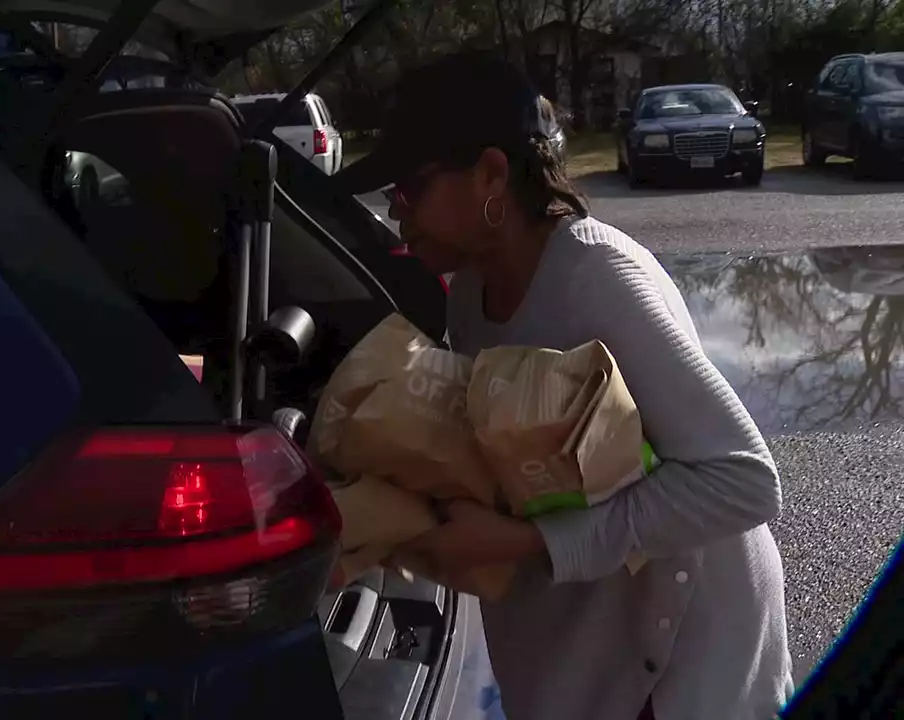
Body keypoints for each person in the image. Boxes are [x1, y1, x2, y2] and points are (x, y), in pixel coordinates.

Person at [334, 51, 793, 720]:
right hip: (587, 655)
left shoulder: (594, 276)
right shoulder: (469, 291)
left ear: (491, 174)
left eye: (410, 193)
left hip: (677, 670)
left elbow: (743, 481)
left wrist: (528, 544)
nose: (398, 218)